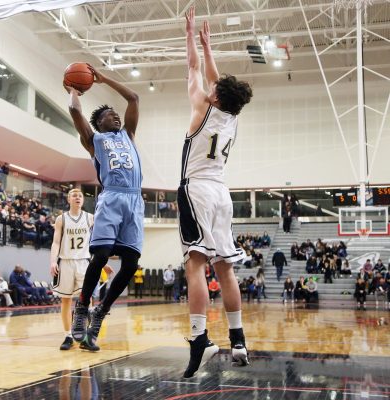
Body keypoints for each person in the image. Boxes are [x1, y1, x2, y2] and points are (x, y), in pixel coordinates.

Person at [179, 7, 253, 378]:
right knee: (224, 269)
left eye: (214, 90)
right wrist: (210, 48)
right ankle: (238, 339)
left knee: (194, 265)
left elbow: (195, 71)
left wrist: (192, 36)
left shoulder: (200, 108)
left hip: (197, 190)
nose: (209, 88)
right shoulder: (232, 119)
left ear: (215, 98)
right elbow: (215, 79)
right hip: (223, 194)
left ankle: (199, 340)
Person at [65, 60, 143, 352]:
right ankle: (83, 306)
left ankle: (101, 312)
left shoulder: (129, 136)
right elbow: (75, 111)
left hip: (134, 200)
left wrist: (103, 79)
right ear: (100, 123)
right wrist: (74, 89)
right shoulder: (94, 140)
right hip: (111, 197)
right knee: (99, 257)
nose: (117, 118)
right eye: (111, 116)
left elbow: (133, 98)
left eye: (116, 115)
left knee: (132, 263)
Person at [49, 188, 94, 350]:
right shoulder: (61, 219)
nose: (78, 197)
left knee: (86, 300)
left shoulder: (90, 218)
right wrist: (53, 261)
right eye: (74, 195)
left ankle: (85, 336)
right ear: (68, 200)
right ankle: (68, 335)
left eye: (80, 196)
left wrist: (101, 261)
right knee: (66, 300)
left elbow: (98, 241)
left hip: (84, 262)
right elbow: (55, 242)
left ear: (83, 200)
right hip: (66, 261)